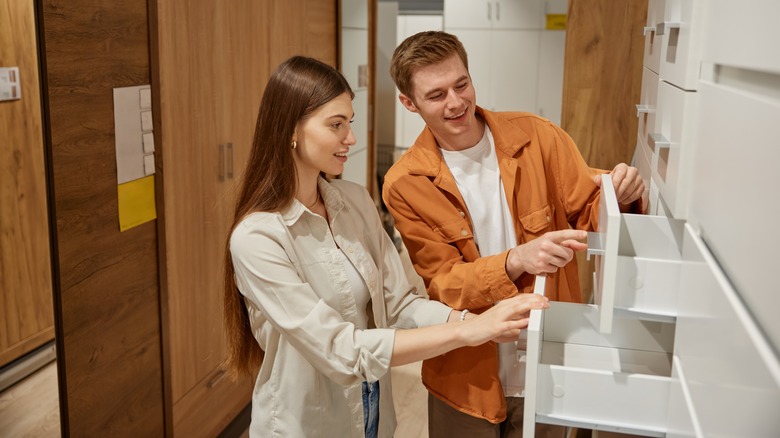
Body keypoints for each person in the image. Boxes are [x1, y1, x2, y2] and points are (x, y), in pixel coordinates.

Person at [222, 55, 552, 438]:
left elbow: (401, 305)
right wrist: (470, 332)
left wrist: (477, 323)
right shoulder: (258, 238)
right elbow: (342, 352)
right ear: (291, 130)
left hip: (372, 415)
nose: (351, 139)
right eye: (336, 125)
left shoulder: (354, 201)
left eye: (350, 123)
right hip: (306, 425)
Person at [382, 31, 645, 437]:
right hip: (464, 375)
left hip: (547, 357)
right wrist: (516, 259)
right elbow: (445, 283)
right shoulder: (406, 182)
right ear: (409, 103)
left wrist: (622, 196)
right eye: (436, 95)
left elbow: (589, 210)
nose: (456, 103)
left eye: (461, 84)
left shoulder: (537, 137)